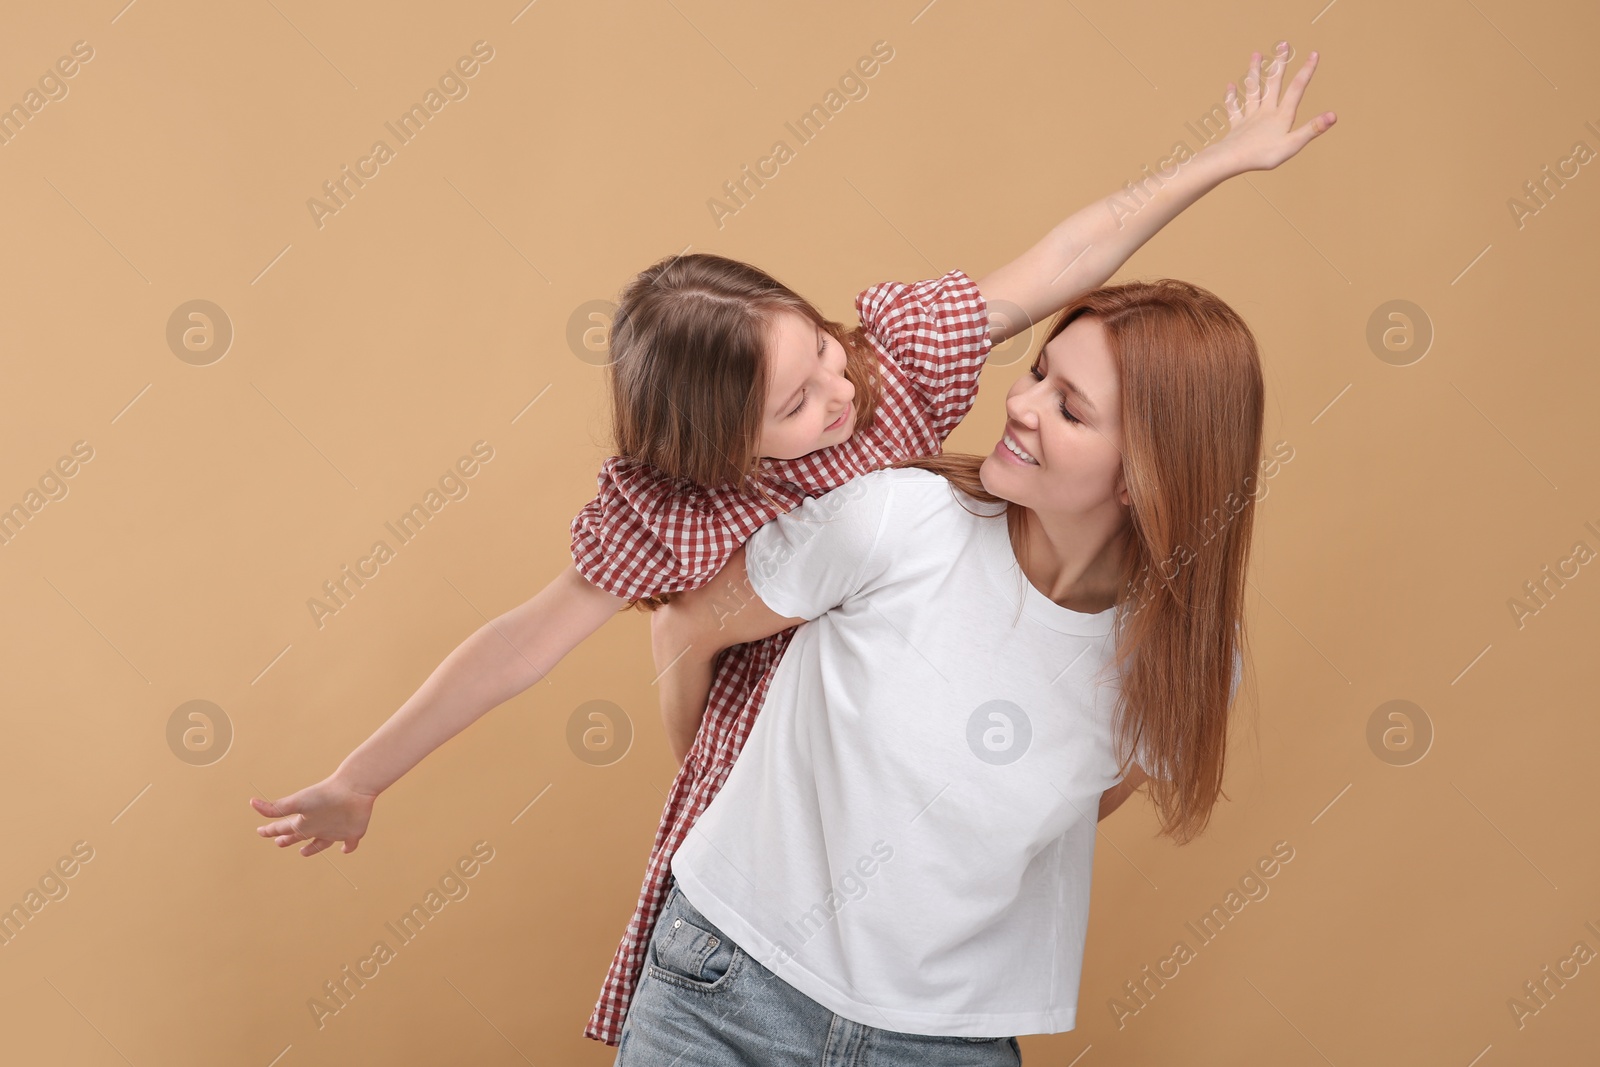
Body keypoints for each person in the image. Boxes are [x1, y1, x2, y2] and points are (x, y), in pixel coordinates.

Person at [249, 39, 1333, 1051]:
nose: (837, 394)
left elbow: (1065, 256)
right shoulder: (709, 512)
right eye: (795, 403)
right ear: (722, 448)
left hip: (911, 913)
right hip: (750, 805)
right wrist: (361, 777)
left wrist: (1222, 160)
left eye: (820, 345)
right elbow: (524, 645)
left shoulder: (891, 376)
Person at [620, 275, 1259, 1064]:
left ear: (1143, 477)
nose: (1021, 404)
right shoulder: (900, 516)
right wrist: (715, 772)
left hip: (946, 1043)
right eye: (1037, 372)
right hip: (726, 988)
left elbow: (1074, 806)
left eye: (1070, 407)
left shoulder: (1181, 661)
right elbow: (686, 625)